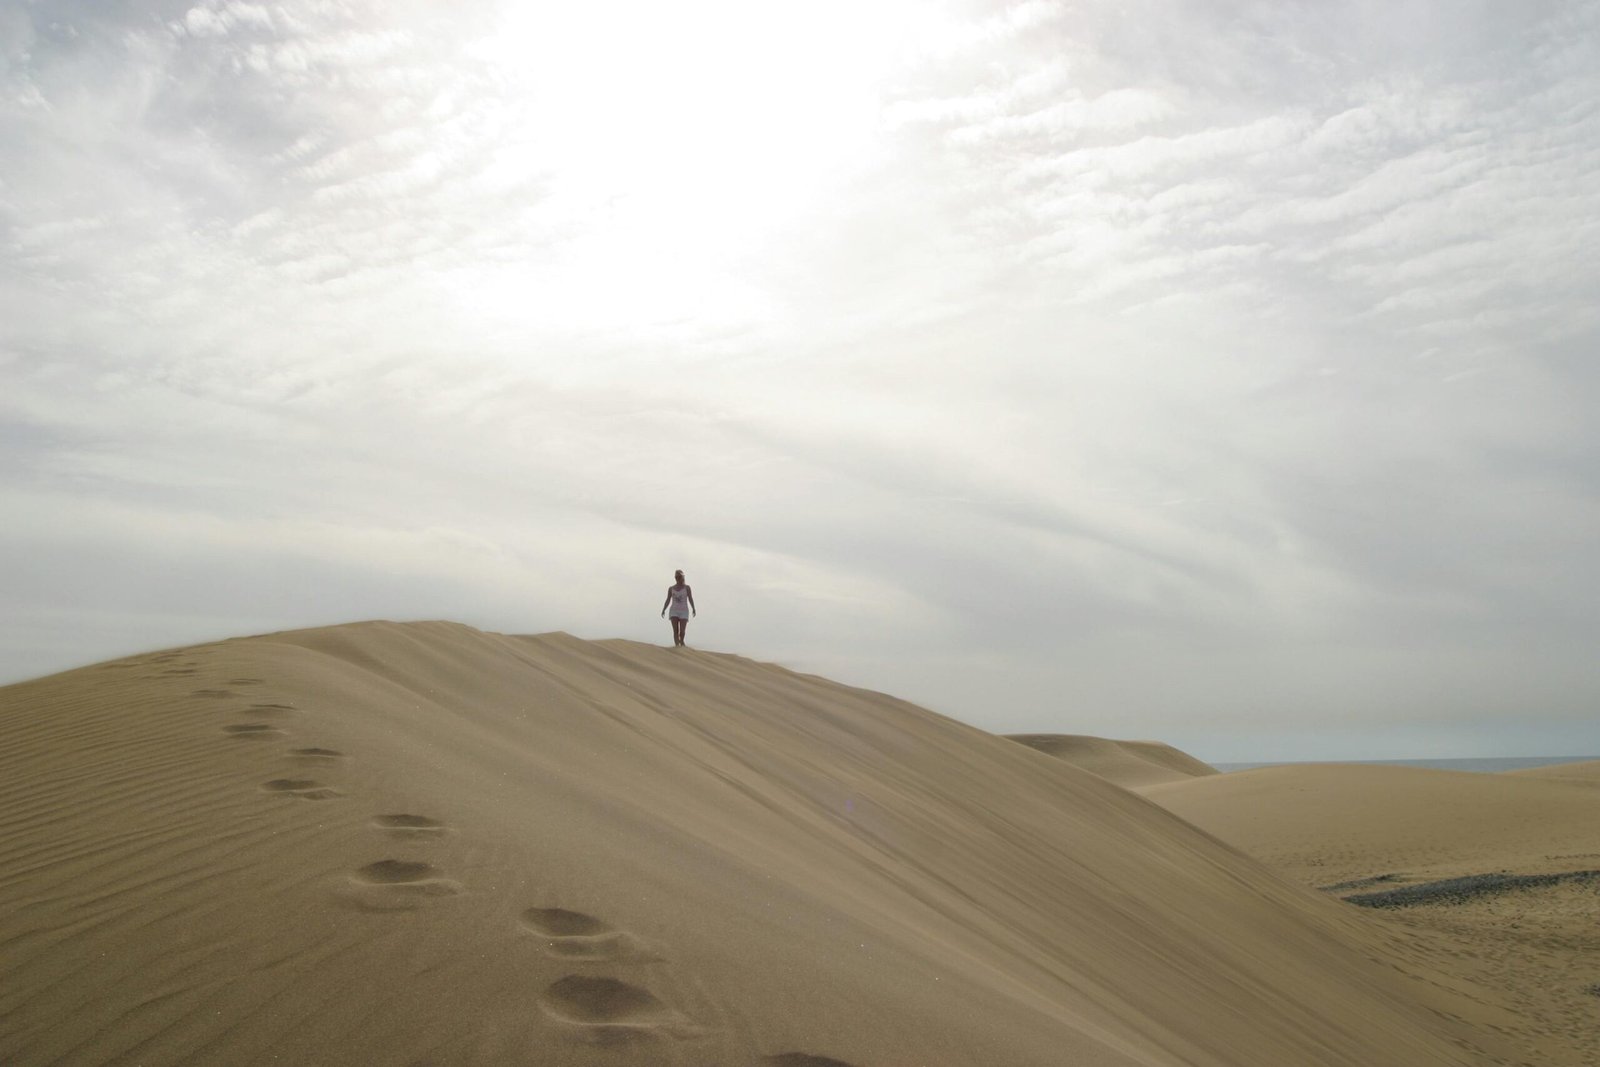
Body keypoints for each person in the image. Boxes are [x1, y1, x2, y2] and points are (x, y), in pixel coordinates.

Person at [660, 569, 696, 647]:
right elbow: (668, 599)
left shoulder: (687, 588)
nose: (678, 579)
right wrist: (663, 609)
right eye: (677, 577)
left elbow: (690, 598)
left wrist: (693, 608)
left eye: (680, 577)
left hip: (684, 611)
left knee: (682, 631)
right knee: (675, 630)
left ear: (682, 577)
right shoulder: (671, 588)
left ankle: (682, 643)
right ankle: (677, 646)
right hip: (674, 611)